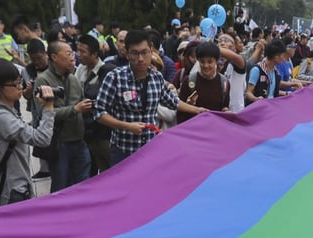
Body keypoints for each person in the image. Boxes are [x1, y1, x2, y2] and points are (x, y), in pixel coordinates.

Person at [94, 30, 208, 166]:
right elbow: (99, 112)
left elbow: (172, 102)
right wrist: (127, 126)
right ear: (127, 53)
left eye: (144, 52)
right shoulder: (115, 78)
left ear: (151, 51)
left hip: (150, 150)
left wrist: (197, 110)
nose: (140, 58)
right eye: (135, 53)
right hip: (123, 151)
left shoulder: (157, 77)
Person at [0, 59, 55, 205]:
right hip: (13, 192)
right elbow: (42, 139)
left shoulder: (6, 112)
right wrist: (49, 107)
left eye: (20, 82)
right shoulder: (2, 118)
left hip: (17, 188)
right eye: (15, 84)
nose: (20, 87)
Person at [33, 41, 93, 192]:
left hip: (79, 141)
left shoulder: (74, 79)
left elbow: (81, 104)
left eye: (73, 54)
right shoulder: (43, 81)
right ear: (54, 57)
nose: (73, 58)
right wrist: (75, 109)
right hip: (60, 143)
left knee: (83, 185)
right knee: (61, 187)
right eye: (68, 54)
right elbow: (46, 113)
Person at [76, 34, 115, 175]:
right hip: (89, 132)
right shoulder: (80, 69)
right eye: (77, 50)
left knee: (113, 169)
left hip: (104, 131)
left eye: (83, 52)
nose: (79, 55)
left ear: (94, 54)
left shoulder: (107, 72)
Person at [178, 42, 229, 123]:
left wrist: (226, 111)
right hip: (194, 130)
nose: (206, 65)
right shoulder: (189, 81)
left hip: (215, 130)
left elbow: (224, 106)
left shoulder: (224, 83)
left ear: (216, 61)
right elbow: (179, 112)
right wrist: (189, 106)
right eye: (202, 62)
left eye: (210, 62)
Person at [244, 40, 287, 106]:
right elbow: (248, 92)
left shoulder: (276, 72)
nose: (283, 59)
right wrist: (256, 99)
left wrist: (287, 93)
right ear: (276, 57)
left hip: (271, 108)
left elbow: (272, 92)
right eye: (282, 56)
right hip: (258, 109)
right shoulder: (257, 70)